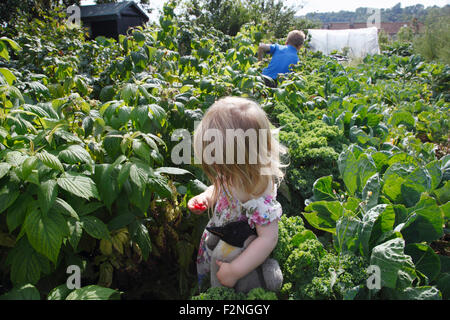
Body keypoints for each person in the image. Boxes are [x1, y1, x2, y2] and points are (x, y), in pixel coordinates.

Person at [188, 96, 286, 290]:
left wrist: (235, 271)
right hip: (218, 239)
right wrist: (207, 197)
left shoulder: (257, 192)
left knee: (225, 289)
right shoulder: (234, 173)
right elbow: (219, 186)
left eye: (218, 162)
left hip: (237, 256)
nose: (217, 169)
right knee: (210, 280)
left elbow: (268, 239)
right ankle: (205, 286)